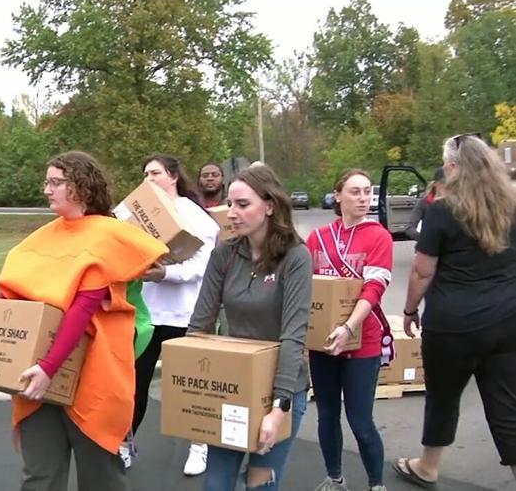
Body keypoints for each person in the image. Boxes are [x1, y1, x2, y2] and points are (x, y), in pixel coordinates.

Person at [0, 151, 168, 491]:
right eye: (46, 182)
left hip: (92, 373)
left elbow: (83, 308)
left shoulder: (106, 235)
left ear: (82, 187)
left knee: (100, 476)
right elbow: (8, 303)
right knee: (40, 476)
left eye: (56, 182)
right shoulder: (39, 239)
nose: (47, 189)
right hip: (35, 375)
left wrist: (48, 368)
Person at [394, 134, 516, 488]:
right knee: (508, 404)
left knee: (443, 398)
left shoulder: (442, 211)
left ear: (452, 167)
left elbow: (422, 271)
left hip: (453, 326)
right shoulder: (511, 205)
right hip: (507, 320)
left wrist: (409, 309)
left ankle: (427, 467)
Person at [187, 164, 311, 491]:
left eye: (243, 205)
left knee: (260, 485)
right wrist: (191, 388)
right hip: (234, 386)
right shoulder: (223, 256)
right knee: (217, 484)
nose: (233, 213)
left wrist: (278, 408)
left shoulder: (295, 258)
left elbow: (293, 335)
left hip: (281, 388)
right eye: (231, 204)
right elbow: (200, 325)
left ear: (269, 206)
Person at [128, 154, 218, 476]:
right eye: (145, 174)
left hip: (185, 316)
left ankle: (199, 447)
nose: (149, 179)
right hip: (148, 316)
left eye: (155, 173)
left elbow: (199, 267)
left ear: (174, 176)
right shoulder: (136, 216)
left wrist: (165, 274)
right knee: (134, 384)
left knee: (193, 386)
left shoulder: (198, 218)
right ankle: (125, 444)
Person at [305, 169, 394, 491]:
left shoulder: (379, 236)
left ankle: (376, 484)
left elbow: (374, 288)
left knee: (360, 420)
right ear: (338, 195)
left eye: (367, 192)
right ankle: (335, 478)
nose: (362, 198)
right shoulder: (318, 238)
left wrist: (348, 327)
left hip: (362, 340)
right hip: (324, 343)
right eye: (355, 191)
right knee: (327, 415)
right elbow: (307, 286)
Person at [404, 167, 446, 241]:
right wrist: (424, 241)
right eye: (444, 183)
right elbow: (410, 228)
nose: (447, 187)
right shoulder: (424, 202)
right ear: (436, 184)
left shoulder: (457, 203)